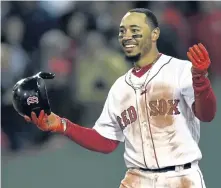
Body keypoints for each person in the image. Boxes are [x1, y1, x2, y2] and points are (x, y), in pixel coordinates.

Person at [23, 8, 216, 188]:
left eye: (135, 30)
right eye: (123, 32)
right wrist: (63, 125)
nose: (127, 37)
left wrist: (201, 83)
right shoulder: (120, 88)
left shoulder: (179, 70)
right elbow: (105, 142)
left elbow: (207, 114)